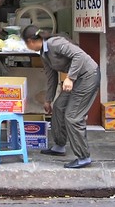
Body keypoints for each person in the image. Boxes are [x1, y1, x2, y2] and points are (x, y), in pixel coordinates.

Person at [21, 25, 100, 169]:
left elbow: (79, 55)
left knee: (73, 116)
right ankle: (59, 146)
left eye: (26, 43)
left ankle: (83, 157)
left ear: (31, 41)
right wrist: (48, 99)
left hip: (88, 76)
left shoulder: (54, 43)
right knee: (58, 107)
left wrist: (70, 77)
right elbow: (51, 77)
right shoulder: (44, 54)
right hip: (76, 79)